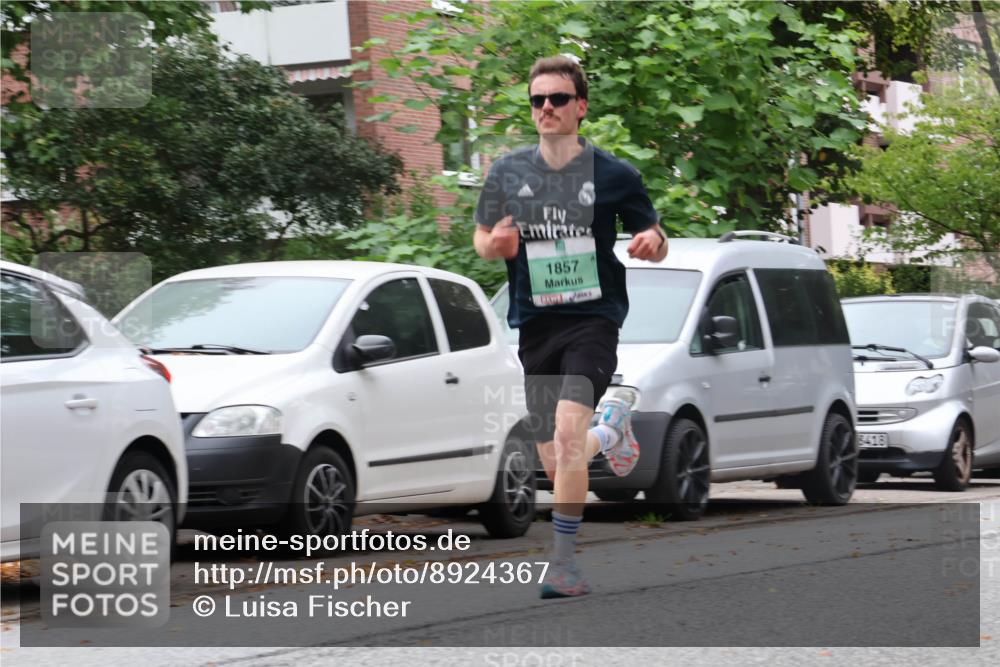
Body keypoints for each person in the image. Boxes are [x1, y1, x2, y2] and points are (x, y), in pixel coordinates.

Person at [473, 55, 668, 598]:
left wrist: (653, 243)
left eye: (558, 99)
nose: (547, 109)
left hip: (593, 320)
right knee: (555, 456)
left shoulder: (615, 175)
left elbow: (655, 234)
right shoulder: (507, 172)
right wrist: (496, 245)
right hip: (535, 324)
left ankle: (563, 565)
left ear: (580, 106)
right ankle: (612, 432)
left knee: (564, 433)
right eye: (538, 100)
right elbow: (483, 238)